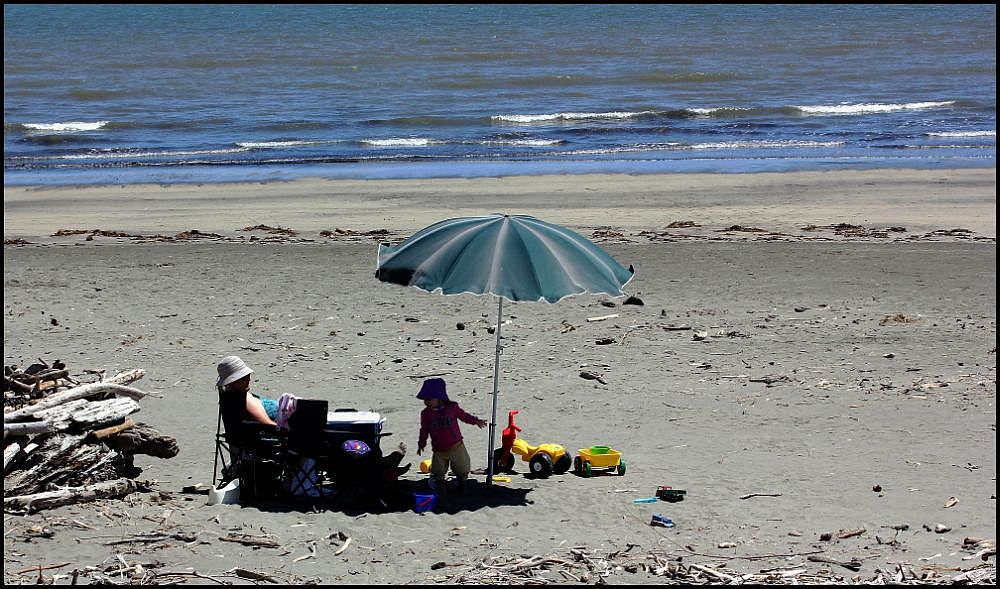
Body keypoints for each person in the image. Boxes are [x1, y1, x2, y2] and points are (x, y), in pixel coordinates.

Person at [416, 378, 486, 495]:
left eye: (429, 399)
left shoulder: (452, 408)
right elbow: (424, 429)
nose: (426, 402)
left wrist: (476, 421)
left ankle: (463, 489)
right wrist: (421, 443)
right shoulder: (426, 414)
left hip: (456, 445)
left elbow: (464, 416)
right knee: (438, 472)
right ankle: (442, 493)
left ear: (439, 398)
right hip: (438, 449)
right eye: (425, 399)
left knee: (462, 468)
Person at [216, 355, 277, 426]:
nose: (248, 380)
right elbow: (269, 424)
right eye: (243, 378)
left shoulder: (227, 398)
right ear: (231, 382)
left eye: (248, 375)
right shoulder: (243, 400)